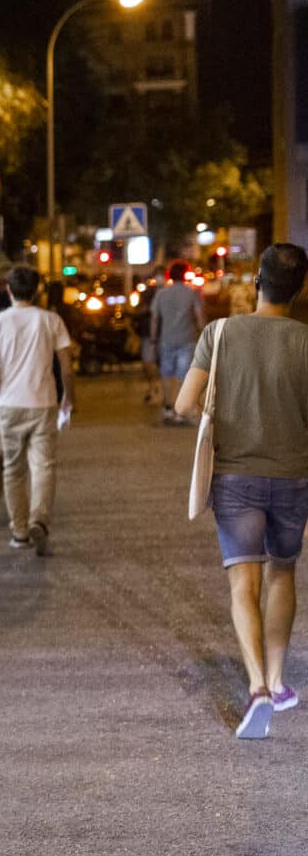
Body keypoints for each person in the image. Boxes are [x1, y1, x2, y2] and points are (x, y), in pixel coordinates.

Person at [174, 244, 308, 739]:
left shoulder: (220, 333)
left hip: (234, 479)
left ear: (257, 282)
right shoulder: (305, 342)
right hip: (294, 478)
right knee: (283, 574)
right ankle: (277, 679)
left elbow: (185, 403)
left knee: (242, 583)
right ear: (301, 289)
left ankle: (257, 690)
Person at [0, 265, 73, 556]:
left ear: (8, 290)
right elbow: (67, 367)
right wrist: (68, 398)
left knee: (13, 469)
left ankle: (19, 532)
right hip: (43, 402)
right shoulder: (51, 320)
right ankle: (39, 520)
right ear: (37, 291)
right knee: (43, 466)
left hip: (9, 403)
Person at [152, 261, 207, 426]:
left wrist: (154, 339)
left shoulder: (161, 294)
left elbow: (155, 318)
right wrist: (205, 336)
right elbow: (199, 316)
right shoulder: (192, 293)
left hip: (166, 339)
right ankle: (181, 411)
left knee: (167, 375)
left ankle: (168, 408)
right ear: (185, 274)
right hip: (187, 339)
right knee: (185, 377)